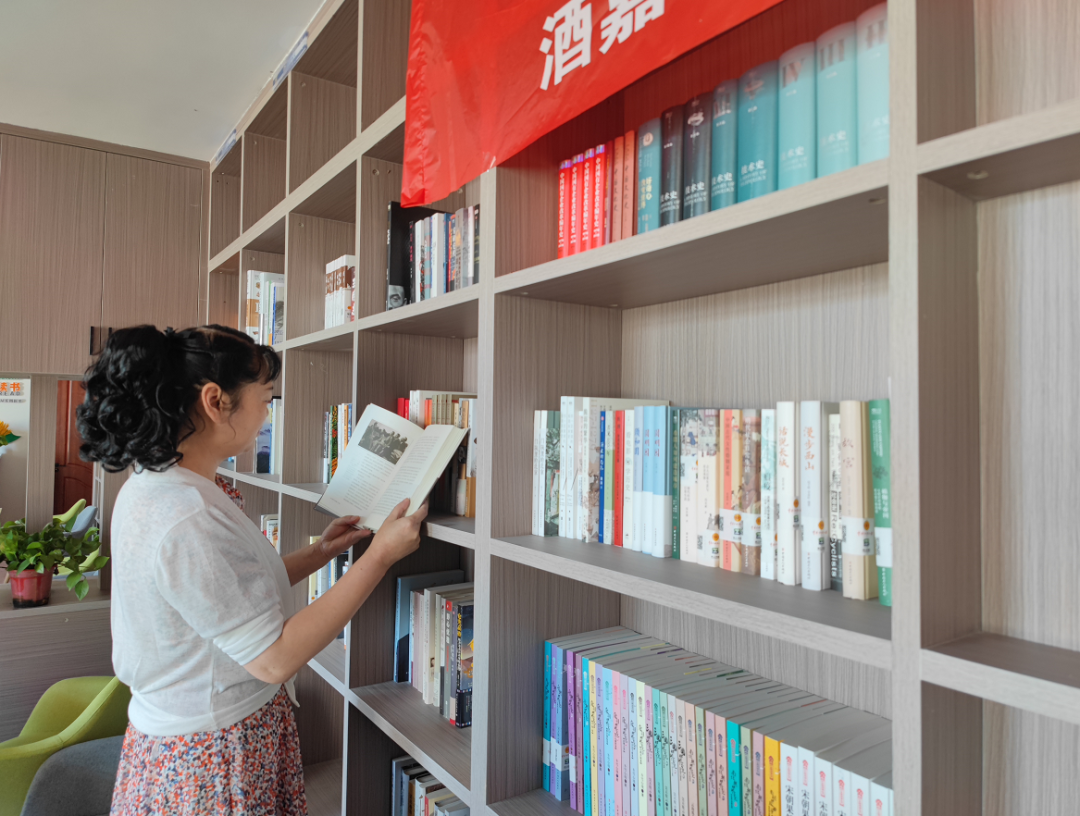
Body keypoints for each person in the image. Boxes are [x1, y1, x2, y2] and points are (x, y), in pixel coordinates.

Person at [76, 325, 427, 815]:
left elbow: (227, 596)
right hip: (212, 756)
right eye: (265, 399)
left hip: (203, 737)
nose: (267, 415)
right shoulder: (187, 516)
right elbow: (275, 658)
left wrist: (321, 552)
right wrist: (380, 557)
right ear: (215, 401)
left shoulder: (164, 484)